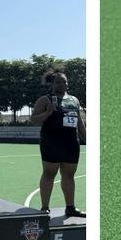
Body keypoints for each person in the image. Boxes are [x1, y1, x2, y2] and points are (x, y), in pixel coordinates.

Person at [31, 70, 86, 218]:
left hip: (71, 143)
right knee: (49, 174)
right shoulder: (45, 100)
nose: (62, 84)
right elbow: (34, 120)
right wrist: (48, 112)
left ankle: (70, 207)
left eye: (64, 81)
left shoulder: (74, 100)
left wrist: (86, 138)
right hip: (51, 143)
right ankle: (44, 208)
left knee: (69, 175)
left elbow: (79, 123)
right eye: (58, 82)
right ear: (52, 84)